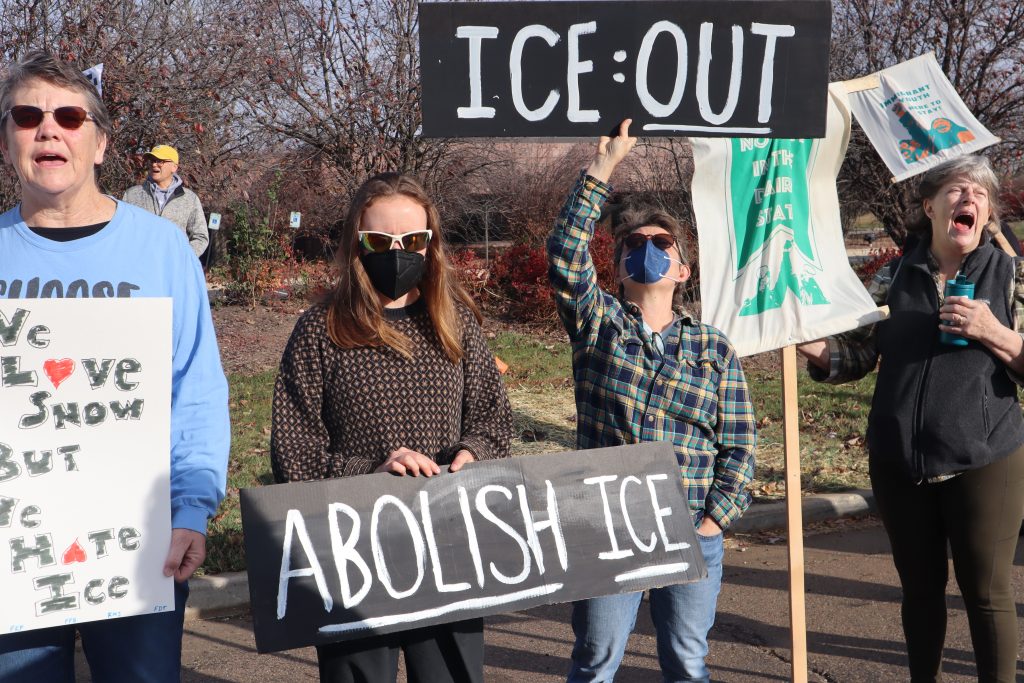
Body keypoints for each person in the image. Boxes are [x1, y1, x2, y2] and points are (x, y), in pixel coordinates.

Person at [0, 51, 229, 681]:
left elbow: (196, 389)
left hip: (138, 545)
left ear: (99, 144)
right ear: (7, 140)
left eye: (70, 117)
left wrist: (190, 508)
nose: (49, 129)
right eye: (28, 115)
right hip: (13, 555)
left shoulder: (161, 250)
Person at [270, 172, 513, 683]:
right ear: (357, 243)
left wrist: (473, 452)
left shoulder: (455, 322)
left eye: (413, 241)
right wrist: (375, 472)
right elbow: (293, 451)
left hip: (448, 543)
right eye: (381, 241)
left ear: (432, 244)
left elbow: (493, 419)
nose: (398, 252)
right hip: (353, 550)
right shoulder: (320, 329)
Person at [798, 155, 1024, 682]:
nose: (969, 199)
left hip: (985, 457)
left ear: (987, 214)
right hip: (899, 462)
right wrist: (805, 343)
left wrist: (994, 331)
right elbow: (856, 356)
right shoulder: (893, 275)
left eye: (980, 194)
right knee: (920, 591)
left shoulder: (1011, 274)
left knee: (986, 593)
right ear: (929, 205)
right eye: (955, 190)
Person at [548, 120, 756, 683]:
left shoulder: (713, 348)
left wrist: (715, 521)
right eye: (633, 245)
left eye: (661, 243)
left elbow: (738, 446)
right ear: (617, 269)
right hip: (607, 530)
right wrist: (603, 168)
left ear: (683, 268)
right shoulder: (598, 326)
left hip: (691, 530)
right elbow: (566, 255)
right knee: (595, 664)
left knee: (687, 664)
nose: (647, 250)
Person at [123, 143, 209, 258]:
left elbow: (201, 236)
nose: (154, 164)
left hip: (174, 271)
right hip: (139, 269)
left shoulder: (190, 198)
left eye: (160, 161)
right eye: (152, 160)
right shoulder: (132, 195)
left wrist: (183, 258)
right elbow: (122, 232)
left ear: (174, 167)